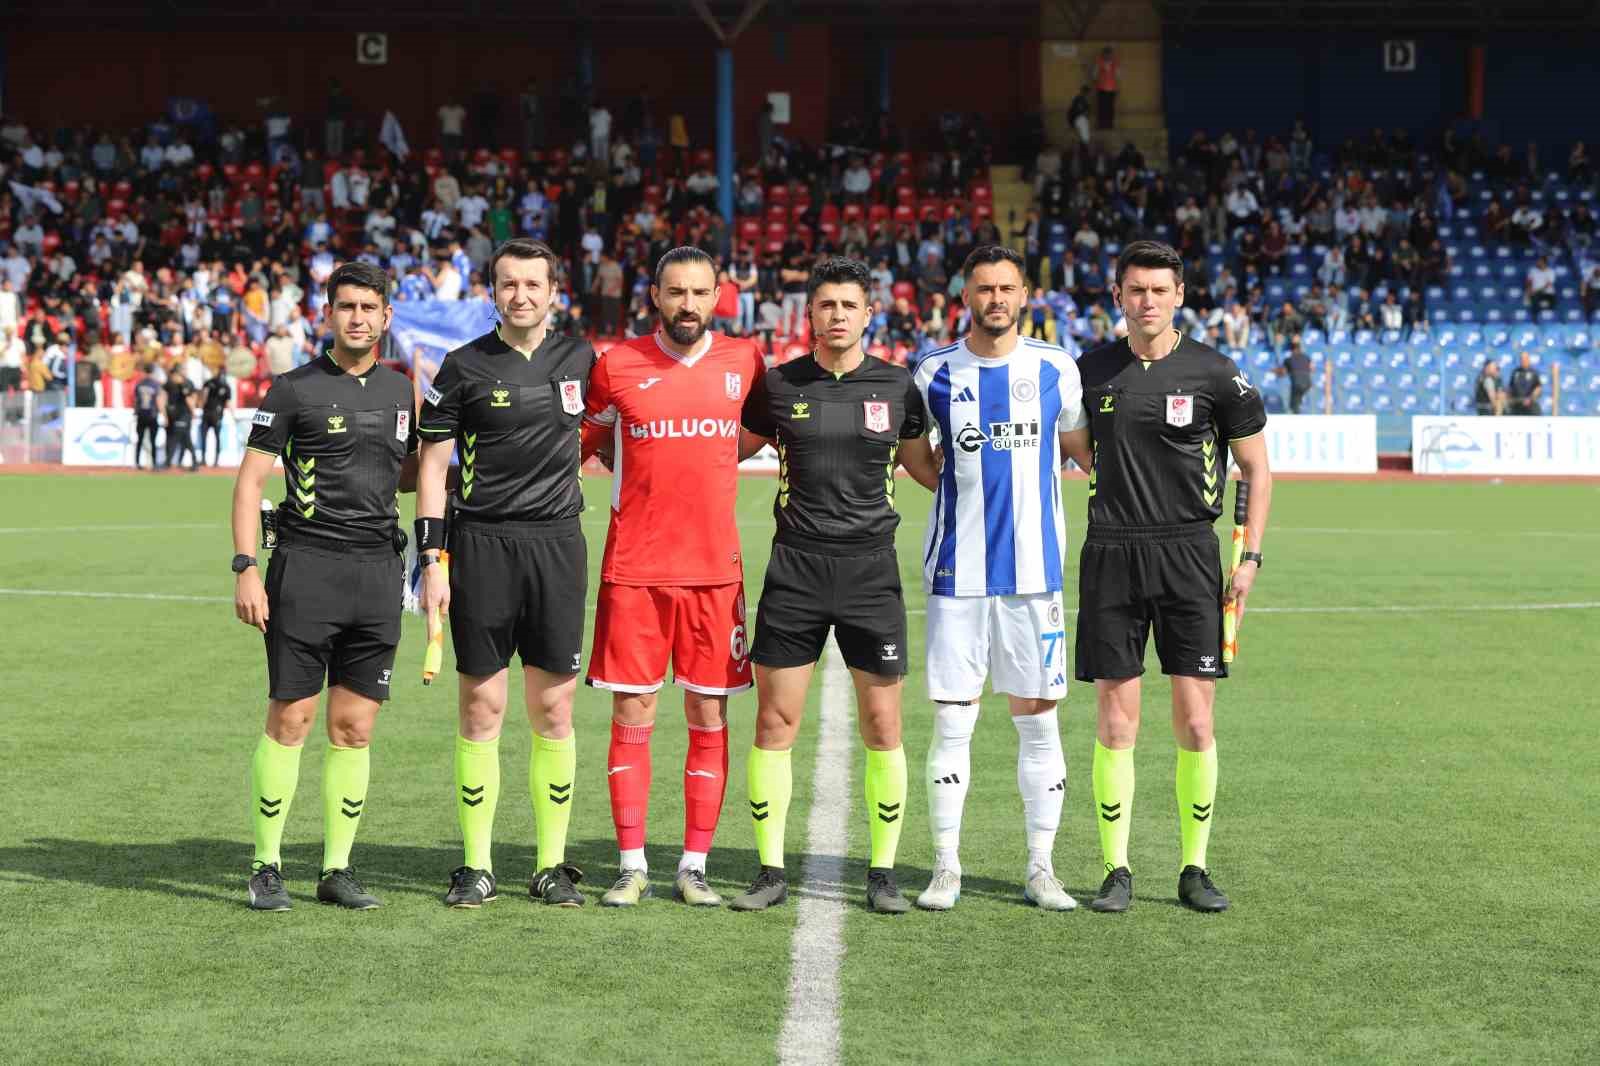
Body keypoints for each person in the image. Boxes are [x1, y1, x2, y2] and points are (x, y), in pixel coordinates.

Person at [1075, 240, 1272, 914]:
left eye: (1160, 290)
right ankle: (1116, 869)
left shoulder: (1217, 373)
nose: (1147, 301)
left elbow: (1258, 468)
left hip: (1190, 555)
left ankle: (1194, 867)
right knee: (1116, 720)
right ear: (1118, 295)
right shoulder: (1090, 371)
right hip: (1112, 553)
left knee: (1195, 719)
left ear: (1180, 295)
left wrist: (1249, 557)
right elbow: (1076, 450)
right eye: (1136, 289)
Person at [897, 245, 1093, 913]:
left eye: (1007, 288)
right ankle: (945, 867)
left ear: (1025, 295)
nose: (997, 299)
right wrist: (963, 494)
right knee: (953, 721)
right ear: (966, 298)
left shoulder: (1056, 368)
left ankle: (1041, 868)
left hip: (1035, 578)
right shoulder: (933, 372)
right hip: (958, 573)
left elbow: (1080, 449)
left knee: (1038, 722)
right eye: (985, 289)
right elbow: (916, 457)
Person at [729, 257, 927, 915]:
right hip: (796, 571)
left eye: (849, 305)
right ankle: (769, 870)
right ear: (809, 313)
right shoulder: (779, 384)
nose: (837, 314)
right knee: (775, 720)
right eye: (826, 305)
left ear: (869, 313)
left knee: (883, 723)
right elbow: (723, 450)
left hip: (872, 572)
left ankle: (882, 872)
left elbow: (930, 470)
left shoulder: (897, 386)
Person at [577, 247, 767, 907]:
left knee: (708, 713)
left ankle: (694, 866)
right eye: (676, 292)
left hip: (715, 572)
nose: (688, 304)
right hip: (636, 571)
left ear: (718, 297)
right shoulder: (615, 364)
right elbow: (583, 445)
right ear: (655, 295)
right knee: (633, 712)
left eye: (700, 293)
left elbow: (754, 434)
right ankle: (631, 866)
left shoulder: (744, 362)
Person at [232, 261, 419, 912]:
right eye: (346, 306)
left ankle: (336, 869)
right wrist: (245, 566)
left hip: (377, 575)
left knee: (355, 727)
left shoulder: (402, 391)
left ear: (386, 317)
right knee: (292, 717)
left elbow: (407, 472)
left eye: (369, 307)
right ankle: (266, 865)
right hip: (306, 569)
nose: (357, 318)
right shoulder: (293, 390)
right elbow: (250, 483)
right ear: (328, 313)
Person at [417, 239, 596, 909]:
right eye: (508, 284)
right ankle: (476, 865)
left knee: (554, 708)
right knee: (481, 706)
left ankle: (551, 865)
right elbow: (433, 469)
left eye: (532, 284)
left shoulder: (583, 359)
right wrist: (432, 561)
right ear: (492, 292)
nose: (520, 295)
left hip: (557, 547)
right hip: (482, 547)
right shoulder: (462, 366)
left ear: (554, 292)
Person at [163, 365, 199, 471]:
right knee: (184, 439)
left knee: (179, 438)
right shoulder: (170, 383)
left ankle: (168, 462)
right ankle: (193, 462)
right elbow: (164, 395)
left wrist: (193, 412)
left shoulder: (186, 384)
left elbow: (190, 398)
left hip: (183, 415)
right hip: (174, 415)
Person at [132, 363, 162, 469]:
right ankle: (154, 463)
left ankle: (137, 462)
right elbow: (158, 400)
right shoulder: (155, 384)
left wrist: (135, 411)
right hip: (152, 415)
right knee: (153, 440)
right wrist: (162, 413)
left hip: (141, 414)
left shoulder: (139, 384)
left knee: (139, 440)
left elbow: (136, 400)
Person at [199, 370, 232, 467]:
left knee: (205, 436)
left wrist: (201, 404)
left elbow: (203, 395)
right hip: (215, 414)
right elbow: (228, 402)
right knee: (215, 437)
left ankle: (206, 459)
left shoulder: (210, 383)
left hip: (209, 413)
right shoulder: (225, 386)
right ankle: (214, 460)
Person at [1278, 338, 1313, 414]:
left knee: (1293, 405)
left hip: (1297, 383)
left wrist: (1276, 371)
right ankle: (1299, 409)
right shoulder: (1306, 357)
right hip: (1308, 383)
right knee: (1297, 400)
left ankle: (1297, 415)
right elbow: (1312, 369)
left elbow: (1283, 373)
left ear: (1291, 350)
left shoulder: (1288, 359)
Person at [1094, 47, 1119, 131]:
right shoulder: (1099, 62)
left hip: (1112, 89)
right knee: (1102, 108)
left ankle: (1109, 125)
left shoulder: (1115, 63)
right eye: (1106, 54)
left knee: (1110, 108)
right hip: (1101, 88)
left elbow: (1118, 75)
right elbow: (1094, 75)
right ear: (1103, 54)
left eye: (1110, 54)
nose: (1108, 56)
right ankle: (1102, 125)